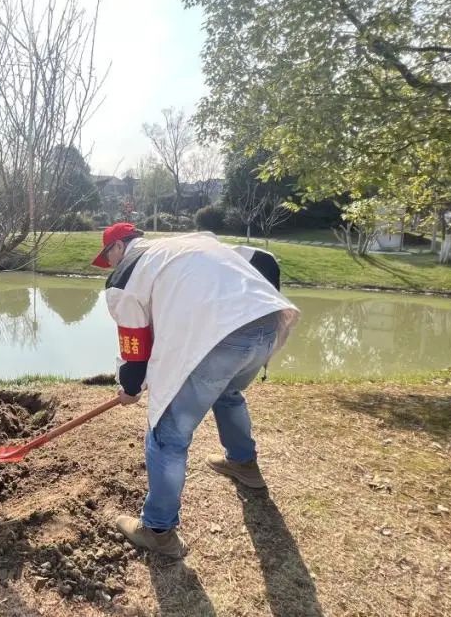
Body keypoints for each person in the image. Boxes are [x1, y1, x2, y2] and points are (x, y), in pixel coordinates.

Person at [92, 223, 300, 558]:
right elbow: (263, 259)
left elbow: (134, 348)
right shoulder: (189, 242)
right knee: (227, 393)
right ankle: (243, 464)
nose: (111, 264)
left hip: (221, 339)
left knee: (166, 435)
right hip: (268, 322)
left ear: (118, 246)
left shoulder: (126, 276)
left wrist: (130, 387)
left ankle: (157, 530)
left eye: (109, 256)